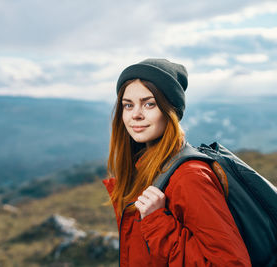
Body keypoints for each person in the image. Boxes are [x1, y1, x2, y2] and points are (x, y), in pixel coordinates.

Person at [103, 58, 251, 266]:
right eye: (128, 105)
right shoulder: (143, 170)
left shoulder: (190, 177)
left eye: (149, 104)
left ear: (170, 111)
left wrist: (157, 221)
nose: (135, 114)